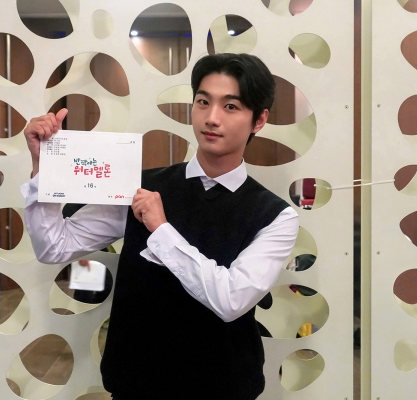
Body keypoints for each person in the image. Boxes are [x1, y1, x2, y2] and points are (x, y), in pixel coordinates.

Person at [21, 53, 299, 400]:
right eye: (203, 102)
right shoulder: (140, 188)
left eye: (230, 107)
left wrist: (162, 229)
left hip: (223, 388)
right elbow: (54, 246)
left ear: (259, 120)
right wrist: (44, 171)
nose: (212, 118)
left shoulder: (275, 216)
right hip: (134, 385)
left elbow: (230, 299)